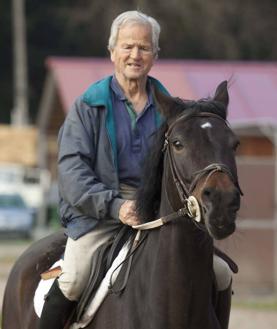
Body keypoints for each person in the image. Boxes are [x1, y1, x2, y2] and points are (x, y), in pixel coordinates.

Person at [39, 10, 233, 329]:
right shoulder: (86, 107)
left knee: (221, 273)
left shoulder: (173, 111)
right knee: (73, 278)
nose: (135, 55)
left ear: (155, 56)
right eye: (127, 46)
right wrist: (117, 207)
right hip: (100, 214)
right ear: (112, 51)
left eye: (144, 47)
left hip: (160, 213)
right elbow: (72, 176)